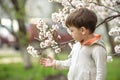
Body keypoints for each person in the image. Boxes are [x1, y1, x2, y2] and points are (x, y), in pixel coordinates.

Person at [40, 8, 107, 80]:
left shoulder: (97, 49)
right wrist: (55, 63)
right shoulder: (77, 46)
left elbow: (101, 72)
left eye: (72, 30)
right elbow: (72, 62)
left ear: (83, 30)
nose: (70, 34)